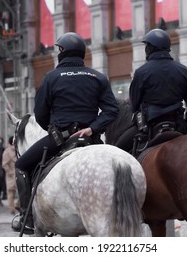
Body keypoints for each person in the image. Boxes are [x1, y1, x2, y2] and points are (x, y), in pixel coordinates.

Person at [13, 32, 119, 234]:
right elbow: (111, 110)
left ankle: (26, 218)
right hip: (91, 139)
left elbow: (41, 113)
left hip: (60, 139)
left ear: (61, 52)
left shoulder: (51, 78)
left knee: (21, 165)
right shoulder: (98, 77)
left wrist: (52, 131)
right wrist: (92, 128)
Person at [116, 28, 187, 153]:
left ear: (150, 48)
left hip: (149, 127)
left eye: (147, 46)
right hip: (177, 124)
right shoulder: (184, 71)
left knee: (118, 151)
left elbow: (134, 105)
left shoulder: (141, 72)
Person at [2, 136, 20, 215]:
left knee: (17, 192)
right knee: (12, 192)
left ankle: (16, 205)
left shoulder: (19, 149)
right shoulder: (8, 151)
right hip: (12, 175)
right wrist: (10, 172)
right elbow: (5, 164)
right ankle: (12, 208)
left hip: (16, 173)